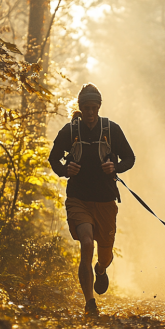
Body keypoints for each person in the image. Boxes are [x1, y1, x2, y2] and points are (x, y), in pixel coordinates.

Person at [48, 83, 135, 316]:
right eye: (85, 108)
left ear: (99, 107)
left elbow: (130, 158)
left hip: (106, 200)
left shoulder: (111, 129)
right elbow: (54, 159)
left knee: (105, 255)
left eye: (93, 108)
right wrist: (66, 170)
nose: (89, 112)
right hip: (79, 198)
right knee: (86, 244)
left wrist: (114, 167)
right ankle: (90, 303)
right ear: (80, 107)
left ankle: (101, 269)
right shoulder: (69, 131)